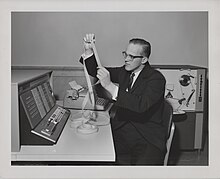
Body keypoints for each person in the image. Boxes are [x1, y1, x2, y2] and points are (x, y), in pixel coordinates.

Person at [79, 34, 166, 165]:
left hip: (147, 138)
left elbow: (140, 105)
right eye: (125, 54)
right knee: (95, 153)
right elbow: (97, 71)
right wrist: (88, 50)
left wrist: (109, 86)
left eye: (131, 56)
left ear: (144, 60)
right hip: (124, 131)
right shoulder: (125, 71)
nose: (126, 59)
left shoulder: (156, 79)